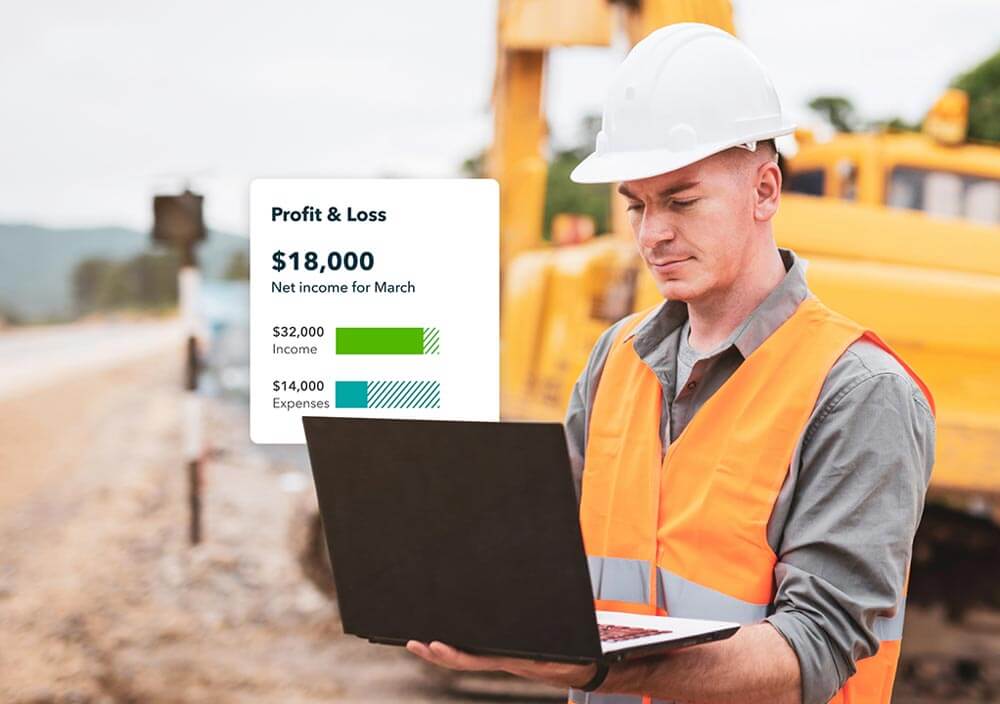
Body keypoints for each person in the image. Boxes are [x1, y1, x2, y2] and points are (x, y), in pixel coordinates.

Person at [407, 23, 935, 704]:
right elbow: (547, 557)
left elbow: (815, 648)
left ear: (765, 191)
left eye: (681, 201)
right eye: (637, 205)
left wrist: (591, 666)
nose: (652, 233)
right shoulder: (616, 359)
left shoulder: (858, 392)